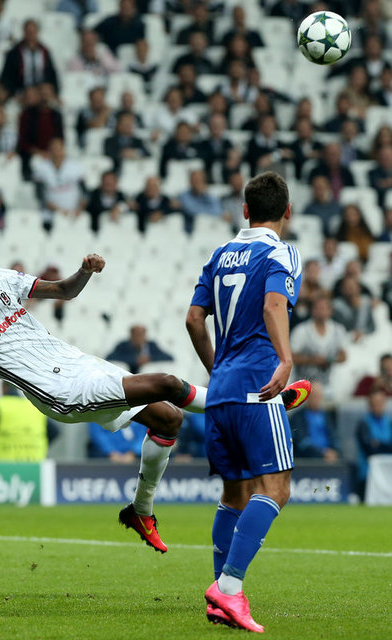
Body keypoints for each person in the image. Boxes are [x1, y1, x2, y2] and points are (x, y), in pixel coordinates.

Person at [0, 233, 309, 554]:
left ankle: (140, 510)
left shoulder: (2, 279)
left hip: (79, 365)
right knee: (169, 384)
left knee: (169, 419)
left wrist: (85, 271)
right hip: (57, 390)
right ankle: (252, 402)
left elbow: (63, 291)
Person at [186, 171, 307, 632]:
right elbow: (273, 305)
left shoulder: (219, 254)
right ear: (287, 212)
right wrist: (285, 358)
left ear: (245, 211)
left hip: (220, 392)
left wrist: (218, 370)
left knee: (234, 494)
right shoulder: (281, 251)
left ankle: (221, 596)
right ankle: (229, 589)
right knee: (275, 489)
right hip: (259, 384)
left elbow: (194, 320)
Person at [0, 382, 60, 461]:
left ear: (4, 388)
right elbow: (55, 431)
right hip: (36, 464)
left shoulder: (1, 404)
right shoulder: (33, 406)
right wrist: (42, 446)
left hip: (7, 465)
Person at [355, 388, 392, 500]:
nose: (378, 406)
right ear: (369, 405)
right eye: (375, 403)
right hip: (368, 474)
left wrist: (378, 443)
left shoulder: (389, 422)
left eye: (380, 403)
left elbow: (377, 446)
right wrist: (385, 446)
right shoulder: (363, 424)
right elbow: (369, 449)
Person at [289, 381, 339, 461]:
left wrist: (334, 451)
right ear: (307, 397)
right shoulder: (297, 417)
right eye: (314, 396)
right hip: (307, 461)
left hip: (328, 460)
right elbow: (302, 442)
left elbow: (334, 437)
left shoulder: (326, 415)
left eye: (319, 396)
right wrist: (322, 453)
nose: (317, 399)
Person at [106, 324, 173, 374]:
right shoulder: (123, 345)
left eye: (141, 335)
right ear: (131, 335)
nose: (139, 337)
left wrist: (149, 359)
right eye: (137, 335)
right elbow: (109, 357)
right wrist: (134, 359)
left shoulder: (151, 345)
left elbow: (169, 357)